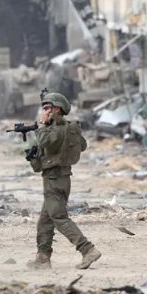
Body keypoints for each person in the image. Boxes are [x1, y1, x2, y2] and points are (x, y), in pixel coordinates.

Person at [25, 92, 101, 270]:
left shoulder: (57, 129)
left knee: (59, 217)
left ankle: (87, 249)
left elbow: (45, 141)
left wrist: (42, 125)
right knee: (45, 220)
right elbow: (82, 145)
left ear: (57, 109)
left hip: (55, 179)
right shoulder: (69, 128)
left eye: (47, 108)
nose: (43, 112)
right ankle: (43, 258)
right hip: (59, 177)